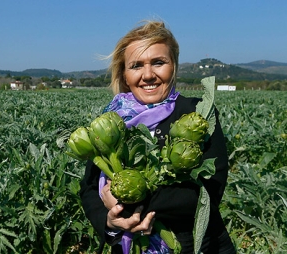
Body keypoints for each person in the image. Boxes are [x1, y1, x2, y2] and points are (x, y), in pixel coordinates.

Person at [79, 20, 236, 254]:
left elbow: (209, 189)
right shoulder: (111, 121)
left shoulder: (196, 116)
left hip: (196, 247)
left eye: (158, 63)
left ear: (173, 66)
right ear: (124, 73)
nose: (148, 75)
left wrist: (126, 203)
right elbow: (89, 187)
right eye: (136, 66)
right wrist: (110, 222)